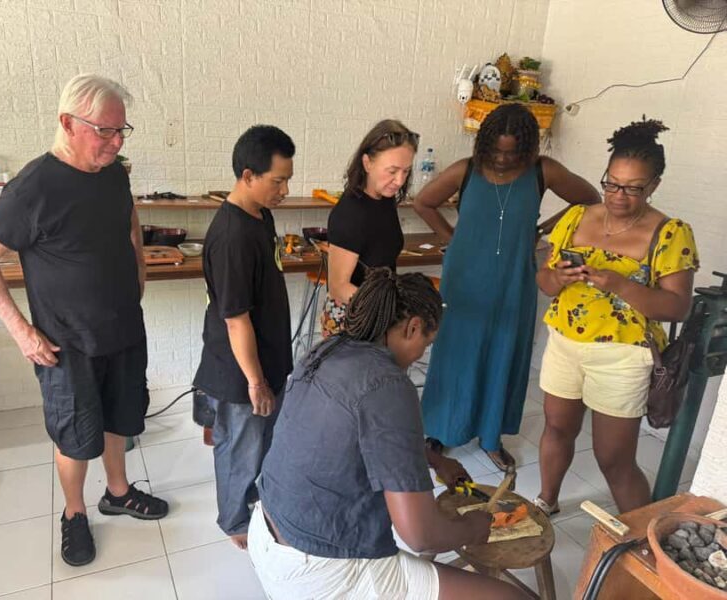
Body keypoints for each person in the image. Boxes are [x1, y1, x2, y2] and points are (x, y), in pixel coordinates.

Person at [0, 74, 167, 567]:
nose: (117, 142)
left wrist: (138, 267)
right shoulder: (34, 186)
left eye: (123, 131)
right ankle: (74, 514)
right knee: (76, 437)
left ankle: (117, 492)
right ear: (68, 124)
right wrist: (21, 332)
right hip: (66, 343)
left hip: (122, 330)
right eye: (106, 131)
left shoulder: (115, 172)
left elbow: (129, 219)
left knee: (122, 418)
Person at [249, 268, 527, 600]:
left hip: (267, 533)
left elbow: (362, 429)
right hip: (319, 570)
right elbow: (420, 535)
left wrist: (434, 459)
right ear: (413, 328)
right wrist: (474, 528)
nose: (423, 353)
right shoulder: (389, 384)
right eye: (427, 342)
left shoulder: (326, 350)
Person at [414, 103, 600, 471]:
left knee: (504, 353)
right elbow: (423, 202)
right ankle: (440, 430)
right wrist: (453, 237)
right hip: (464, 277)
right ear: (484, 143)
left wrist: (546, 230)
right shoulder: (465, 170)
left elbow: (589, 200)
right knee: (455, 352)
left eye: (511, 151)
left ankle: (491, 436)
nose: (502, 158)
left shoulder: (542, 171)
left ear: (528, 147)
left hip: (514, 278)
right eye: (496, 150)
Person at [534, 117, 698, 515]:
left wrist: (619, 285)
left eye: (633, 188)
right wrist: (558, 276)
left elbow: (678, 306)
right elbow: (544, 281)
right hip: (564, 341)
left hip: (623, 356)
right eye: (611, 183)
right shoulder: (577, 217)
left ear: (654, 185)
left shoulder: (670, 233)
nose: (618, 196)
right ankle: (546, 500)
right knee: (557, 427)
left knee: (613, 457)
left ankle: (642, 540)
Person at [193, 125, 295, 549]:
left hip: (266, 356)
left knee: (262, 441)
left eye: (288, 178)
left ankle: (252, 496)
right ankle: (234, 521)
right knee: (239, 448)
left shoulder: (260, 214)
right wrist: (255, 381)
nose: (285, 189)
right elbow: (236, 320)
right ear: (248, 176)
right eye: (278, 180)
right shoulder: (232, 236)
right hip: (240, 370)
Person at [321, 119, 419, 336]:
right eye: (392, 171)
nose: (400, 180)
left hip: (379, 313)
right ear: (367, 163)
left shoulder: (385, 199)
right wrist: (389, 309)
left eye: (406, 171)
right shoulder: (350, 214)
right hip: (352, 321)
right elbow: (338, 287)